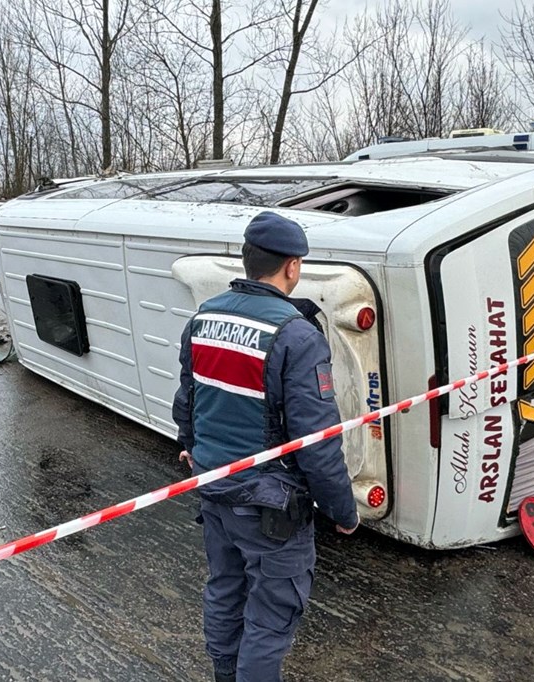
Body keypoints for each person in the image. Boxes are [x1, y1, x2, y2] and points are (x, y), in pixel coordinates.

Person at [172, 212, 359, 682]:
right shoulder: (296, 334)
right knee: (271, 614)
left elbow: (188, 397)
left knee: (225, 591)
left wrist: (188, 445)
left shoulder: (204, 317)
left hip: (214, 490)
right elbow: (317, 442)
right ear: (292, 267)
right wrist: (342, 511)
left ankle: (224, 675)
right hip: (271, 509)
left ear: (247, 259)